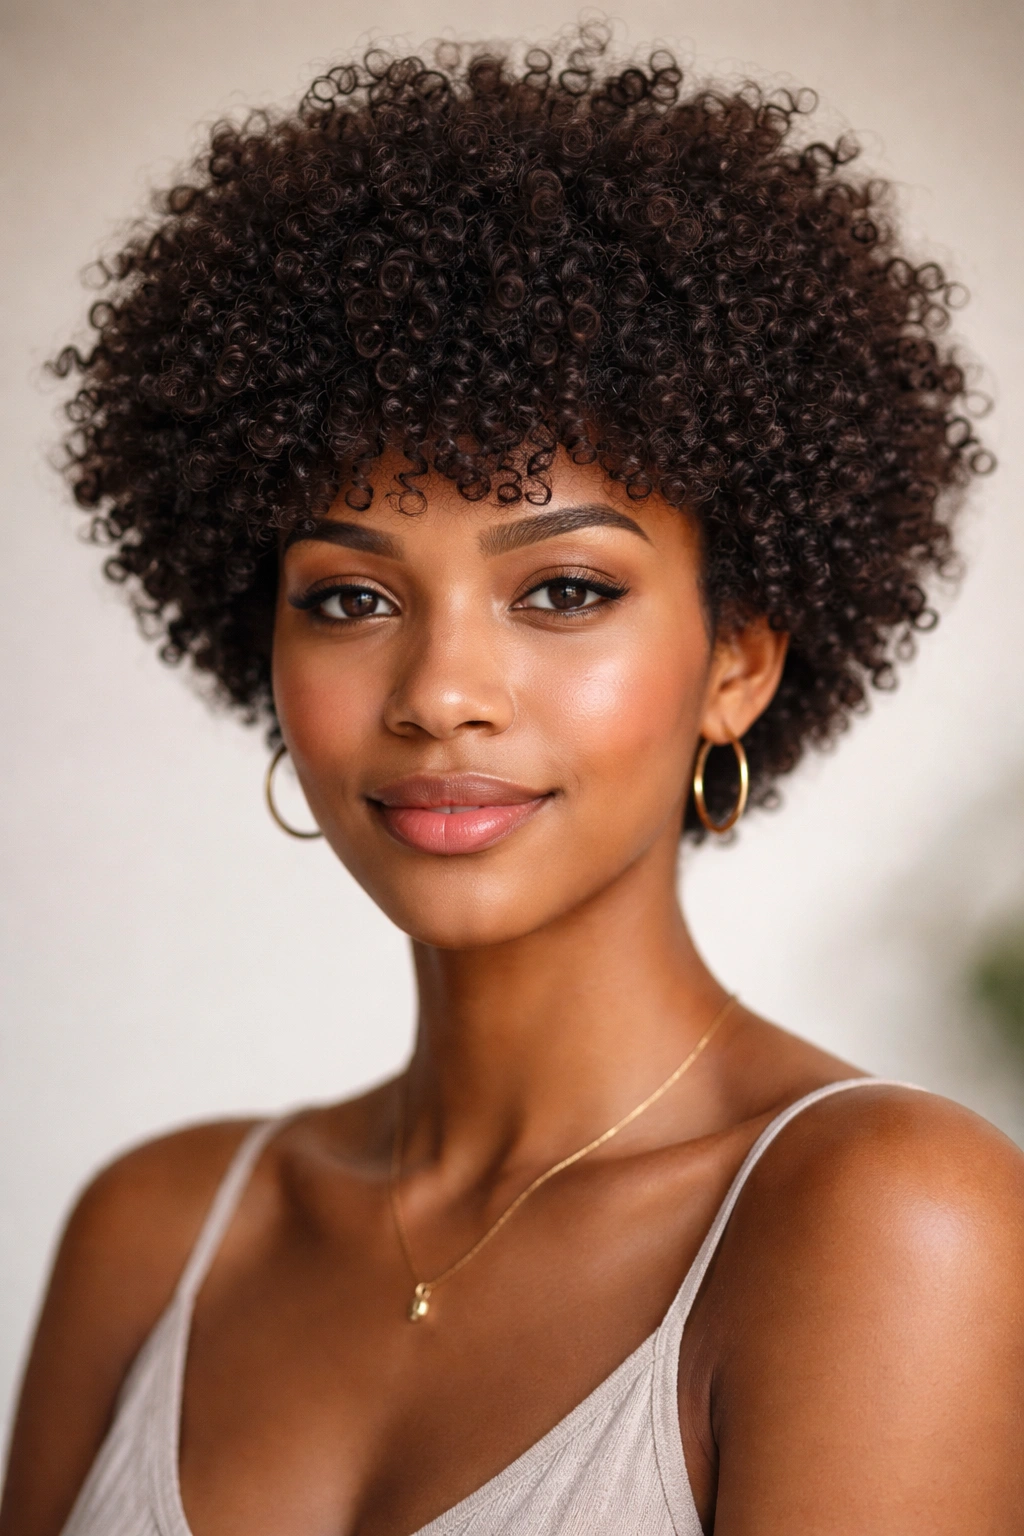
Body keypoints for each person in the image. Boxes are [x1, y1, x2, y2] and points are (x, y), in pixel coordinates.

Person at [2, 31, 1022, 1536]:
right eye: (351, 598)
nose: (438, 696)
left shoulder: (884, 1216)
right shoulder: (159, 1232)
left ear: (736, 658)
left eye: (562, 590)